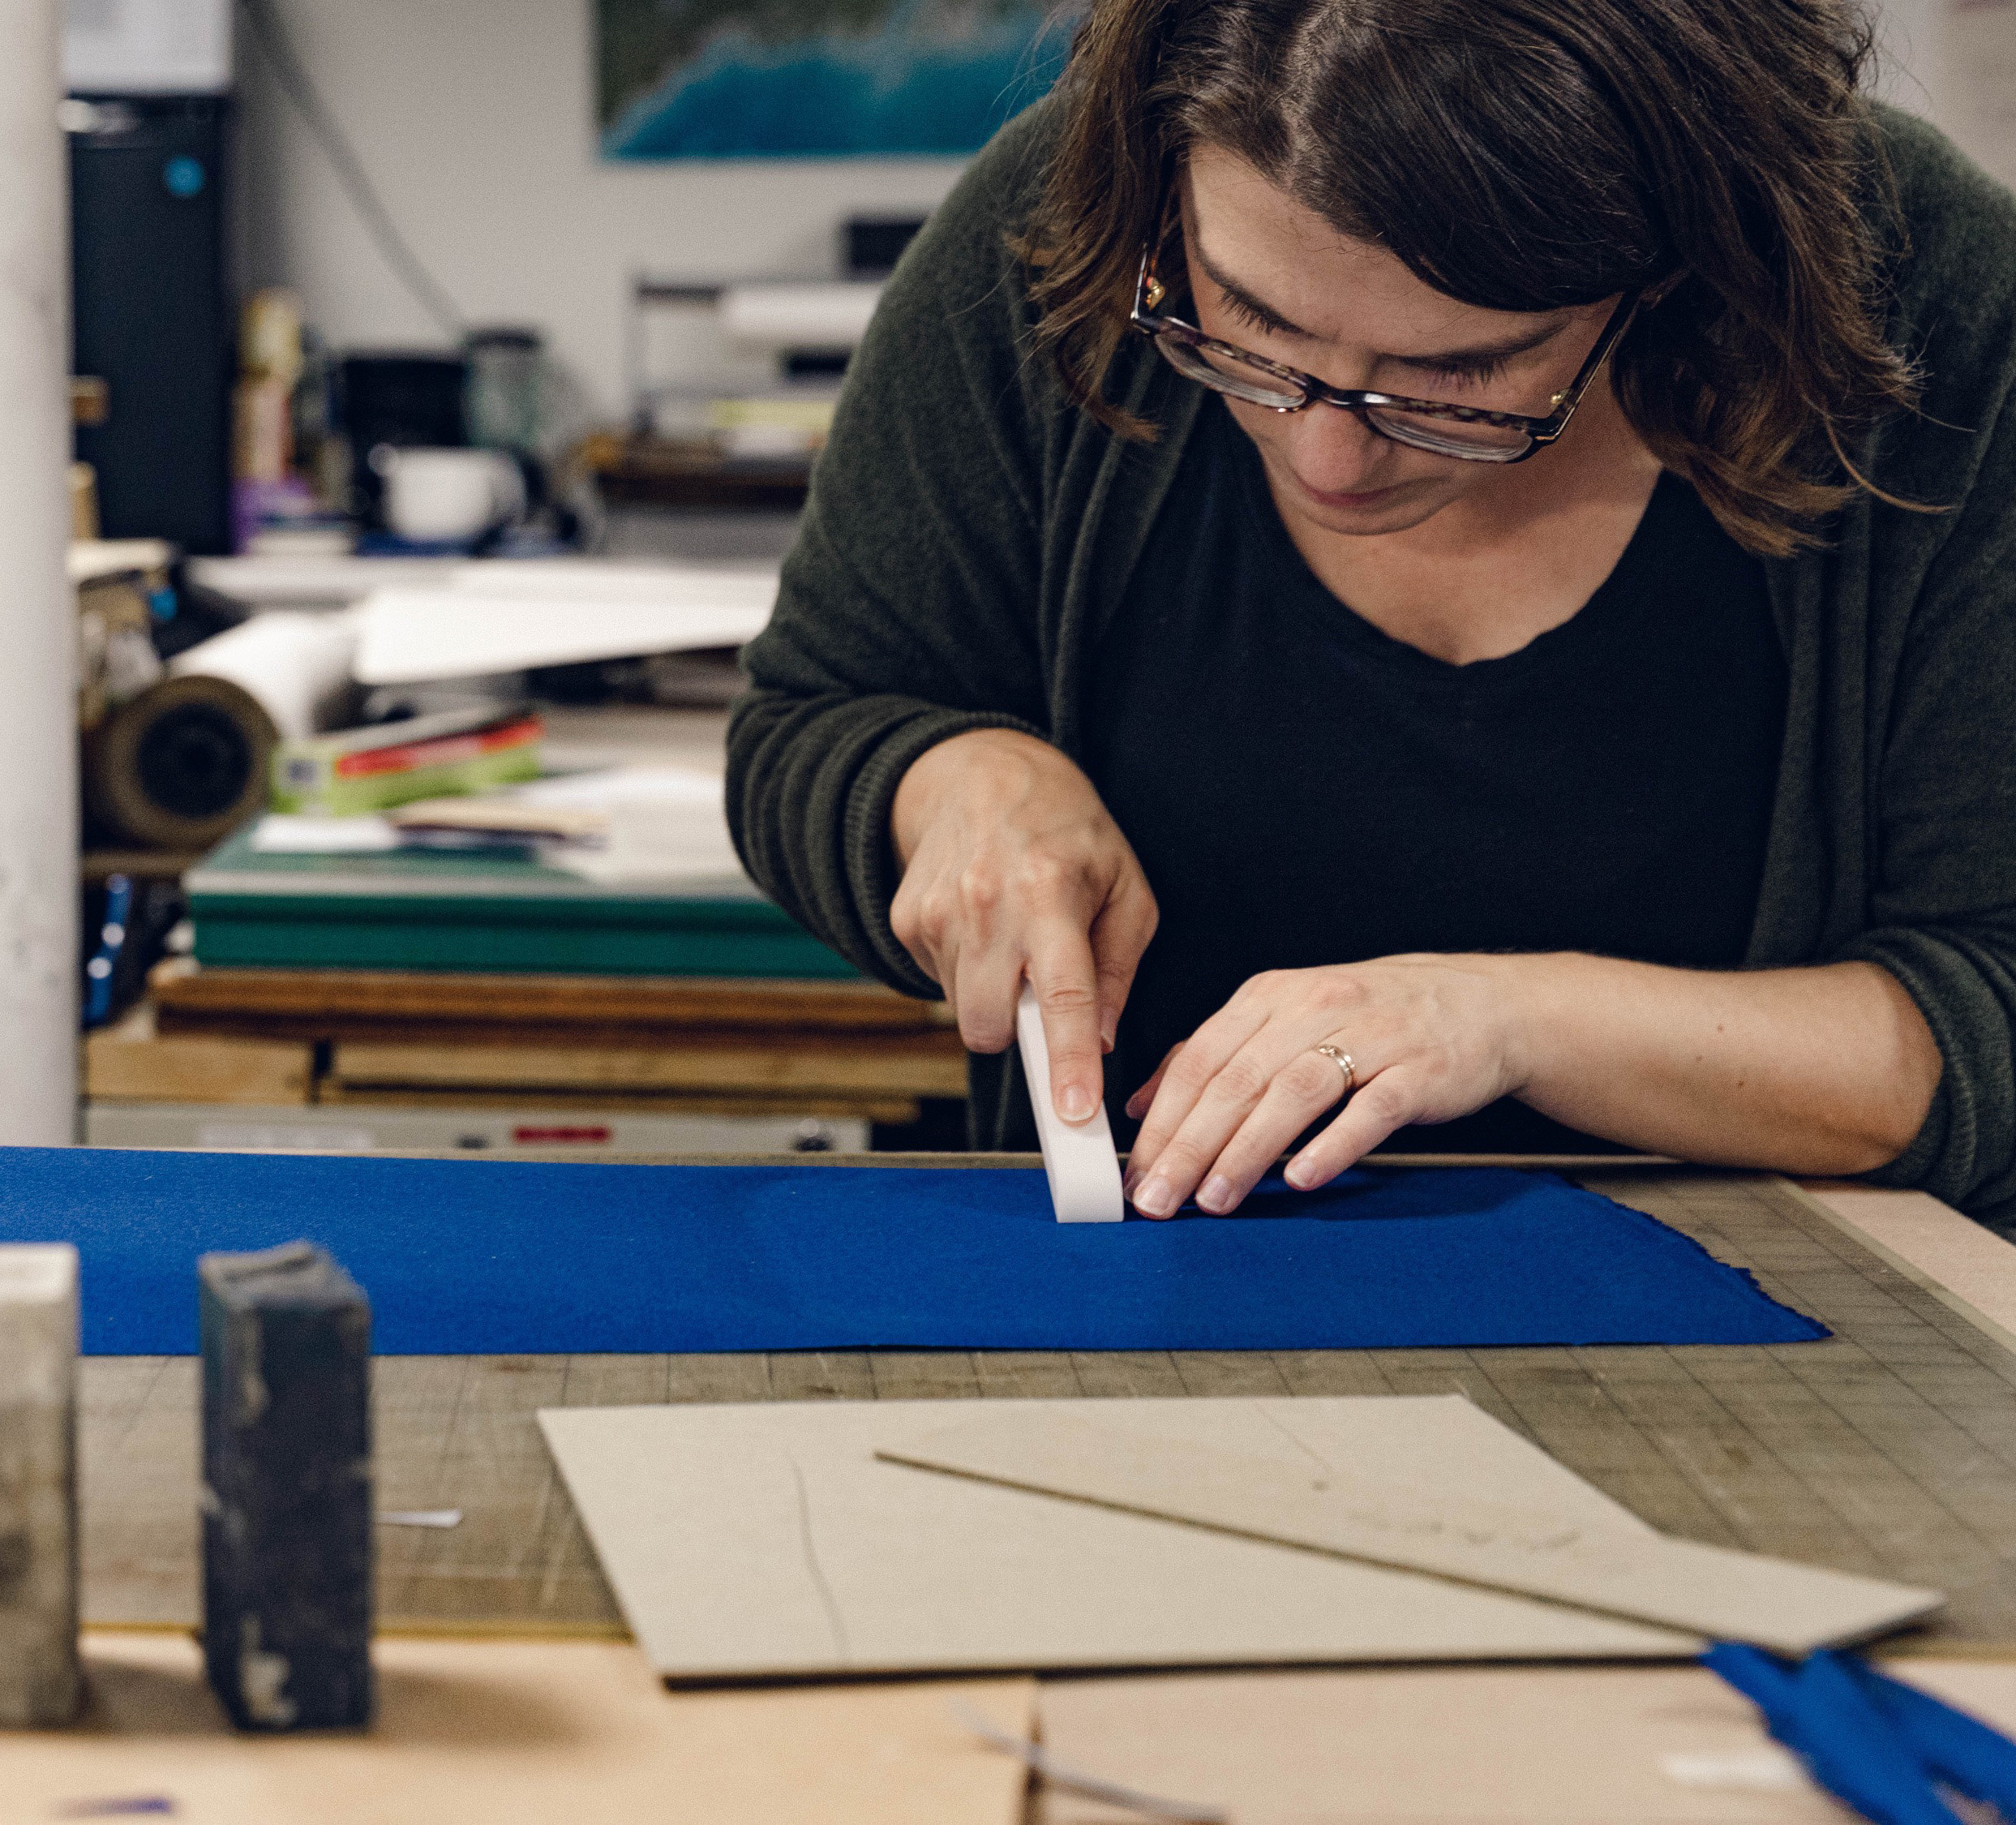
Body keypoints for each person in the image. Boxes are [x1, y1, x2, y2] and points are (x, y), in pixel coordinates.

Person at [727, 0, 2016, 1225]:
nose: (1326, 459)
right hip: (1136, 1307)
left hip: (1800, 1349)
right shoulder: (1059, 228)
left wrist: (1500, 1023)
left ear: (1678, 271)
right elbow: (816, 716)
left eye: (1456, 372)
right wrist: (949, 780)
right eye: (1247, 325)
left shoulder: (1933, 303)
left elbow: (1991, 1006)